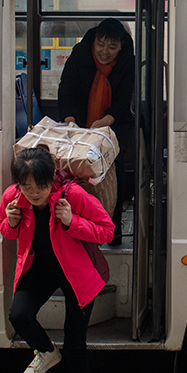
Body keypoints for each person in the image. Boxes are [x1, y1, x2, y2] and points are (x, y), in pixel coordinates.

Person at [0, 146, 115, 373]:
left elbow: (107, 230)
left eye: (40, 186)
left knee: (75, 342)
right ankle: (46, 351)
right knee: (18, 315)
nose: (33, 193)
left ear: (52, 179)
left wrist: (71, 221)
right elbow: (4, 226)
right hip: (40, 268)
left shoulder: (72, 196)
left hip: (76, 273)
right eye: (26, 187)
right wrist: (11, 223)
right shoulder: (13, 198)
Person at [57, 18, 135, 244]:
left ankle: (113, 228)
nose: (105, 52)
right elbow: (67, 87)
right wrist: (70, 118)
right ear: (94, 41)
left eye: (112, 47)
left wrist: (108, 119)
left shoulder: (128, 61)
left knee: (114, 174)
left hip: (114, 126)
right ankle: (79, 228)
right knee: (77, 176)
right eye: (101, 45)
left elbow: (127, 96)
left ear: (121, 46)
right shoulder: (80, 53)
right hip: (81, 124)